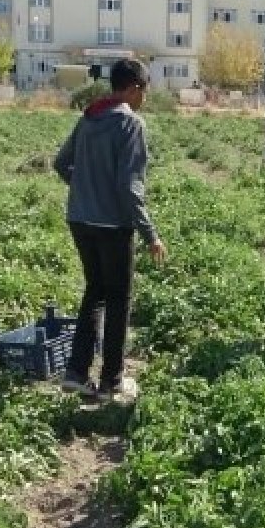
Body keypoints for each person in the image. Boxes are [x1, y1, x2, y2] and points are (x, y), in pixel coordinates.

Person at [53, 58, 167, 401]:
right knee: (118, 298)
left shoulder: (89, 118)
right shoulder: (130, 124)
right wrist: (150, 234)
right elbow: (129, 187)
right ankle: (112, 381)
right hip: (112, 225)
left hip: (79, 220)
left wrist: (85, 188)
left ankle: (76, 372)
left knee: (95, 292)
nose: (144, 97)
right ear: (133, 89)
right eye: (144, 90)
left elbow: (60, 163)